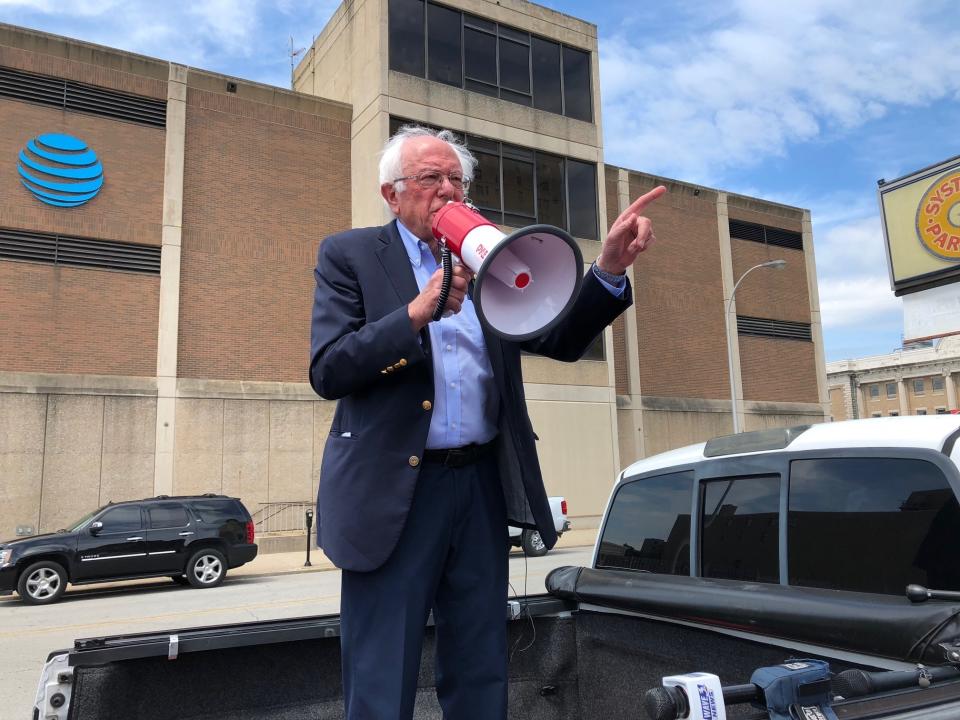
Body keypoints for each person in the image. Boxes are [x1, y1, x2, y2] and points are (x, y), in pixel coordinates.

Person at [309, 124, 665, 720]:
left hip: (476, 484)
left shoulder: (491, 255)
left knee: (480, 662)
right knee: (381, 669)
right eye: (430, 179)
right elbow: (329, 369)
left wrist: (606, 268)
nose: (448, 190)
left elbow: (559, 336)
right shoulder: (349, 255)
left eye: (457, 179)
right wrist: (415, 314)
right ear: (391, 194)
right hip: (395, 490)